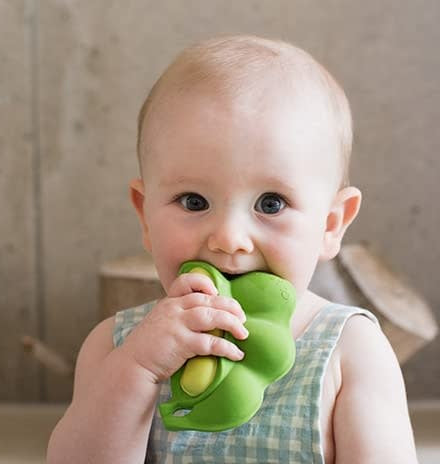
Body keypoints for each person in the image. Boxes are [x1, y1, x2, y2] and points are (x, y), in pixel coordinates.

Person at [47, 35, 418, 463]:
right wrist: (139, 370)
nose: (228, 238)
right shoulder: (115, 347)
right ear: (145, 214)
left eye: (271, 204)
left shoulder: (350, 350)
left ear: (330, 224)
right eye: (194, 201)